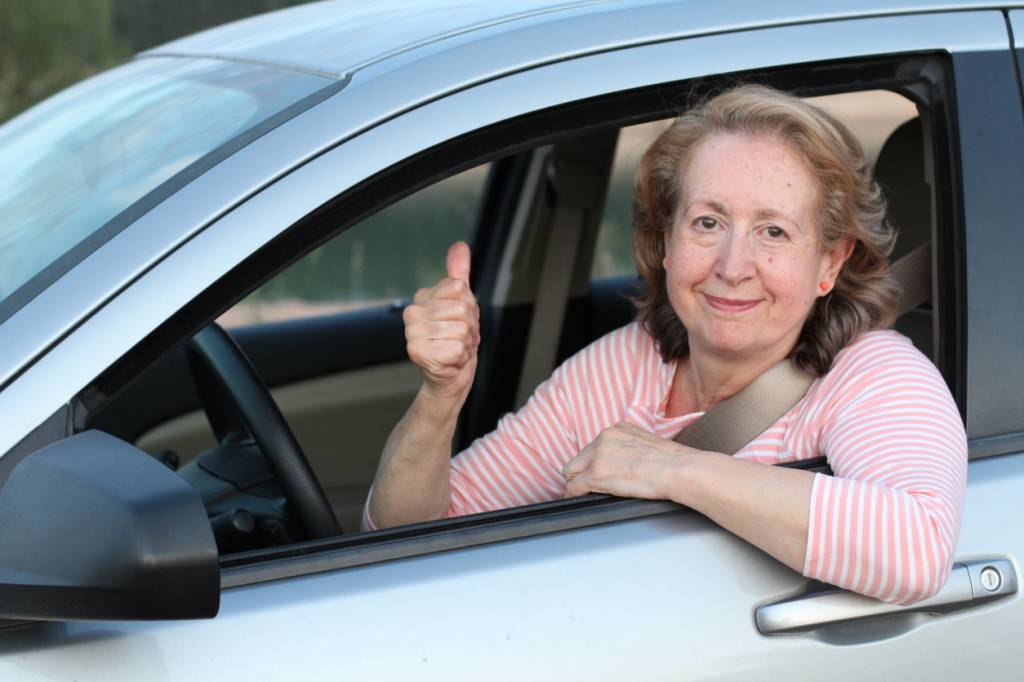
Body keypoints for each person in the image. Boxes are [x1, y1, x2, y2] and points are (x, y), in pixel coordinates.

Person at [363, 84, 967, 605]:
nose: (733, 265)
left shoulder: (873, 373)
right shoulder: (627, 362)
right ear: (668, 241)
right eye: (707, 222)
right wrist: (442, 397)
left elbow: (915, 549)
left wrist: (674, 468)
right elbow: (410, 539)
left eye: (774, 231)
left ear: (829, 263)